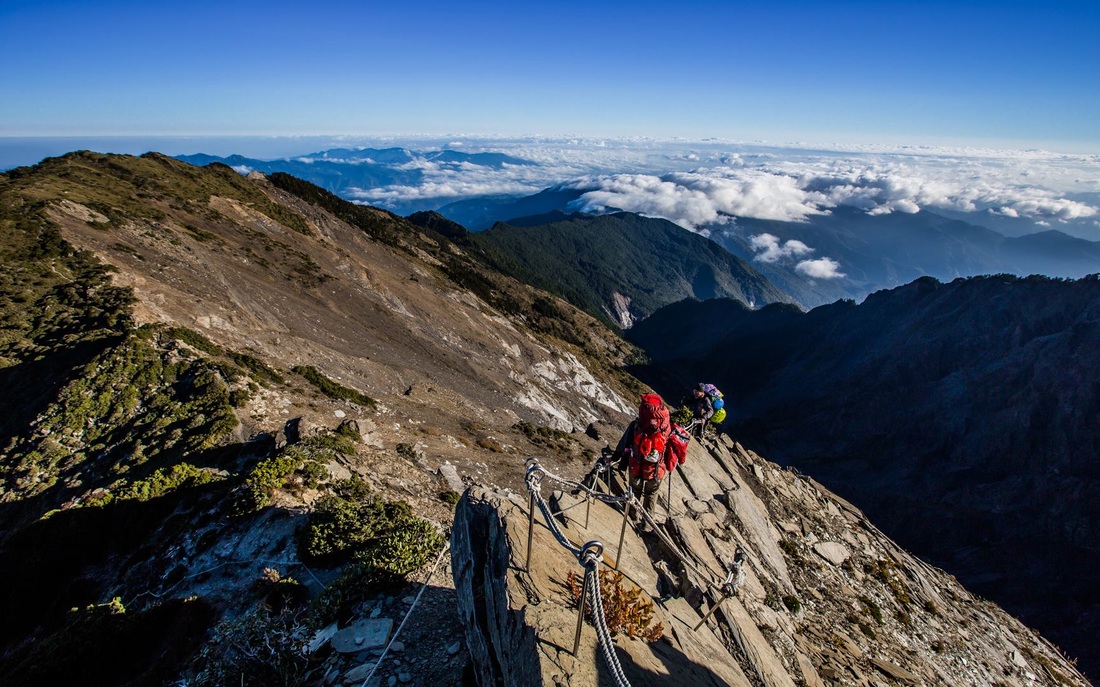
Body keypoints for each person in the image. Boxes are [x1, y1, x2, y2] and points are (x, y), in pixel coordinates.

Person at [610, 393, 672, 519]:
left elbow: (623, 443)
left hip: (636, 466)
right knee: (651, 494)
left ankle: (633, 515)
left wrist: (615, 457)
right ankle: (647, 523)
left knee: (634, 491)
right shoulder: (666, 428)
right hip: (656, 469)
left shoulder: (636, 426)